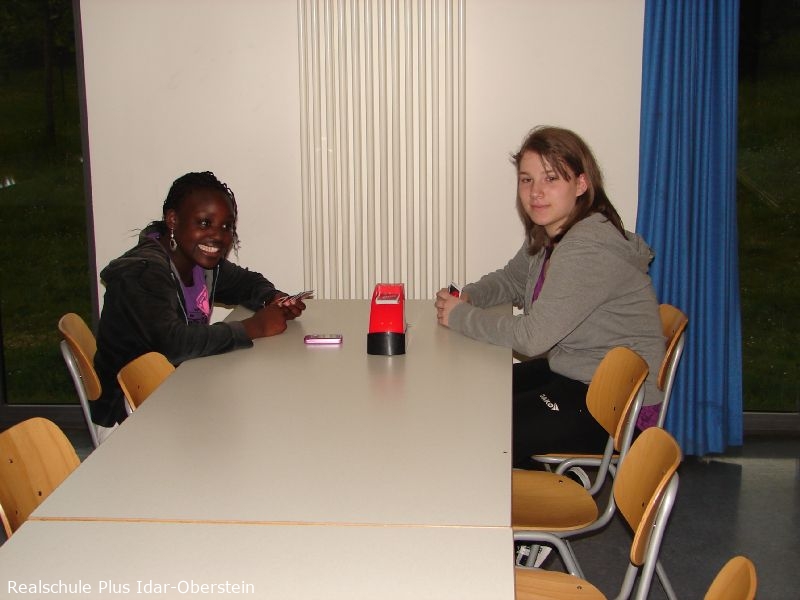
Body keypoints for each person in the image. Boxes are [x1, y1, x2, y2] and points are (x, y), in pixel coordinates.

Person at [434, 126, 665, 468]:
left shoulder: (586, 249)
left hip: (614, 402)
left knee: (485, 431)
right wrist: (469, 297)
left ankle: (547, 487)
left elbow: (533, 337)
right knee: (478, 397)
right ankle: (540, 479)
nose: (536, 192)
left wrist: (460, 317)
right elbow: (512, 279)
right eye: (526, 180)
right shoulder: (551, 231)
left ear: (581, 184)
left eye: (551, 178)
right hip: (576, 370)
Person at [92, 171, 305, 429]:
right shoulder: (143, 273)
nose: (218, 236)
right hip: (132, 417)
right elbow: (172, 344)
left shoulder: (195, 262)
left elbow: (245, 283)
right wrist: (254, 327)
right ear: (173, 220)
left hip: (177, 390)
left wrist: (273, 298)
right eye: (204, 223)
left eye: (226, 227)